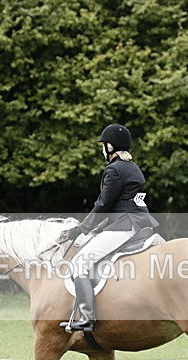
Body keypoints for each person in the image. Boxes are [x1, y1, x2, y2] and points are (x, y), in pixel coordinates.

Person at [59, 123, 159, 332]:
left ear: (110, 147)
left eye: (103, 145)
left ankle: (87, 318)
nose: (102, 149)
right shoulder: (133, 168)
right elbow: (121, 203)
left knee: (79, 263)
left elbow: (103, 204)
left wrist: (83, 228)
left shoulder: (113, 170)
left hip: (124, 226)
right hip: (140, 223)